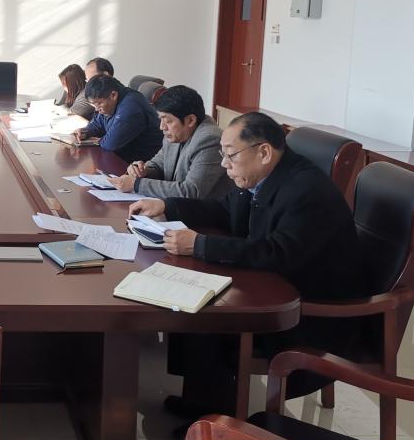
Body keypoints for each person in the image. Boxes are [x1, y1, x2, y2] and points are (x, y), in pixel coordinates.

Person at [130, 111, 371, 423]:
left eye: (230, 155)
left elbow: (277, 252)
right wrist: (168, 205)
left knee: (209, 311)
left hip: (309, 313)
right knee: (194, 294)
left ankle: (217, 417)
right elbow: (224, 209)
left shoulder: (306, 191)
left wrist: (200, 244)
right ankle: (200, 401)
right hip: (278, 285)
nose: (224, 164)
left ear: (264, 152)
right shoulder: (264, 175)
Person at [108, 85, 231, 200]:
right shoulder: (176, 134)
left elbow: (191, 192)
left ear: (190, 120)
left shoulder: (209, 141)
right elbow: (158, 164)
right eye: (161, 120)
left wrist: (137, 184)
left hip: (203, 213)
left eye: (168, 121)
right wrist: (143, 170)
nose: (162, 127)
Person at [74, 74, 162, 163]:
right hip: (122, 156)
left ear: (113, 95)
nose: (97, 109)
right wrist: (86, 131)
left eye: (99, 104)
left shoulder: (131, 107)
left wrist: (100, 141)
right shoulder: (110, 103)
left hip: (140, 163)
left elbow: (111, 144)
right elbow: (98, 122)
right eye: (94, 105)